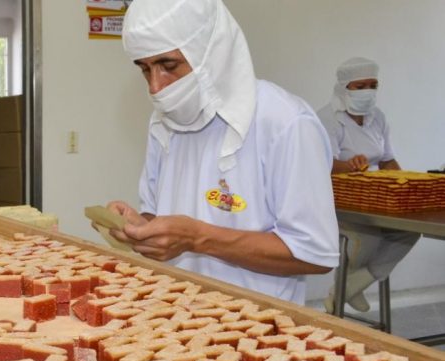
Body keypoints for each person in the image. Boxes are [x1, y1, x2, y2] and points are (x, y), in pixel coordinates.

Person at [105, 0, 339, 304]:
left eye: (168, 66)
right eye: (145, 69)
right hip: (174, 311)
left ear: (209, 50)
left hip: (260, 328)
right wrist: (140, 226)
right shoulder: (163, 122)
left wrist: (198, 238)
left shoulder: (285, 123)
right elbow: (159, 214)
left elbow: (314, 254)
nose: (155, 88)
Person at [316, 57, 417, 313]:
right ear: (343, 87)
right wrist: (348, 165)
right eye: (360, 86)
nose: (367, 92)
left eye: (373, 85)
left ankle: (350, 286)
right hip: (338, 201)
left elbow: (387, 159)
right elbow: (322, 163)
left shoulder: (377, 118)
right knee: (367, 240)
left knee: (408, 232)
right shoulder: (327, 118)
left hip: (372, 199)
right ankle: (348, 288)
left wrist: (403, 183)